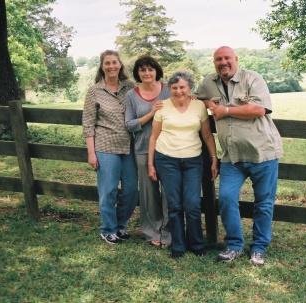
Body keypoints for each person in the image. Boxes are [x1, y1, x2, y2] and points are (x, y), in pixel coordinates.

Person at [193, 46, 283, 266]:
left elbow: (259, 110)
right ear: (214, 62)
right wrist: (207, 102)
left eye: (226, 58)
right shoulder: (209, 82)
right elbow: (194, 96)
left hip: (263, 153)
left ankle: (259, 248)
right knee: (225, 199)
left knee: (263, 203)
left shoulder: (252, 78)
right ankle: (234, 245)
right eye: (218, 59)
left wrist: (226, 111)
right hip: (231, 157)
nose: (223, 62)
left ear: (235, 59)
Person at [148, 71, 219, 259]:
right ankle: (178, 246)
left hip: (193, 160)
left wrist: (214, 158)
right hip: (166, 160)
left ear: (189, 88)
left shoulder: (198, 106)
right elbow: (154, 137)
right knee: (175, 205)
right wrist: (151, 164)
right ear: (169, 89)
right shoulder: (162, 106)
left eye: (182, 87)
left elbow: (206, 135)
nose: (178, 91)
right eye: (174, 88)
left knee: (192, 204)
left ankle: (196, 244)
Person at [82, 50, 138, 245]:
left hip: (129, 146)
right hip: (105, 146)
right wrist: (91, 152)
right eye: (107, 63)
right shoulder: (95, 91)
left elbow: (149, 96)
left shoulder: (130, 87)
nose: (111, 66)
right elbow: (88, 124)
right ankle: (108, 229)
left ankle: (120, 225)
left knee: (131, 190)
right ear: (102, 66)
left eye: (115, 62)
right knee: (109, 190)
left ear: (120, 65)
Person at [125, 55, 171, 248]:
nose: (147, 73)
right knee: (149, 194)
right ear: (137, 73)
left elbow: (184, 102)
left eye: (150, 69)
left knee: (169, 193)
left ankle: (169, 233)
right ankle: (152, 231)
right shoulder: (131, 95)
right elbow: (129, 125)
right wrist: (151, 114)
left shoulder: (168, 88)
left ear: (156, 71)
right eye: (142, 70)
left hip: (169, 149)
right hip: (143, 149)